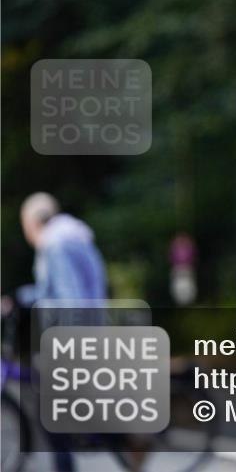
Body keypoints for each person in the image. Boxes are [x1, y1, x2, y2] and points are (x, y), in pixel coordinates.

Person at [11, 192, 108, 472]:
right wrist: (17, 298)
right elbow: (49, 291)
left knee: (46, 406)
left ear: (33, 222)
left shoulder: (57, 244)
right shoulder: (68, 236)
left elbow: (70, 298)